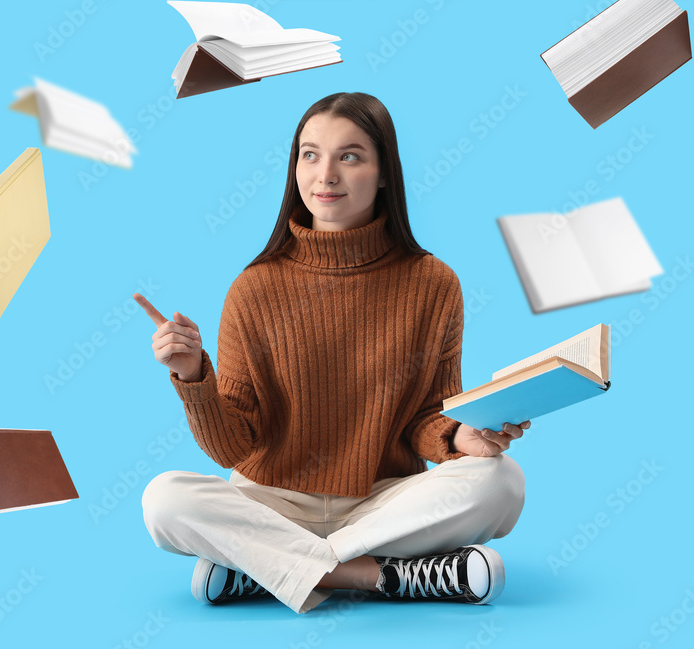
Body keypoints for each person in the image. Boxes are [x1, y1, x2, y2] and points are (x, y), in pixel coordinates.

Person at [134, 92, 529, 615]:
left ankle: (265, 569)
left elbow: (426, 416)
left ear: (385, 172)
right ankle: (382, 576)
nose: (326, 175)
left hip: (383, 501)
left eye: (350, 156)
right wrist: (192, 378)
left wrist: (460, 434)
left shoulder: (434, 283)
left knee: (503, 482)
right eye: (310, 154)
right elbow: (233, 449)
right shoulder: (255, 288)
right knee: (164, 500)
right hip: (272, 502)